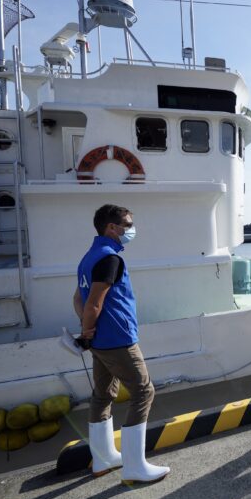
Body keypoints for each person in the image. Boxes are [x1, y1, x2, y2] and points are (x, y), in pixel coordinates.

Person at [74, 204, 169, 484]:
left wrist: (88, 332)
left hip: (101, 343)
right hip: (117, 339)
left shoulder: (88, 257)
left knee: (103, 395)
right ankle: (134, 466)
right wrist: (87, 330)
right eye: (127, 225)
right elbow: (93, 303)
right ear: (111, 228)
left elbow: (78, 299)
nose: (131, 230)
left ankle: (103, 459)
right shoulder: (110, 259)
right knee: (143, 391)